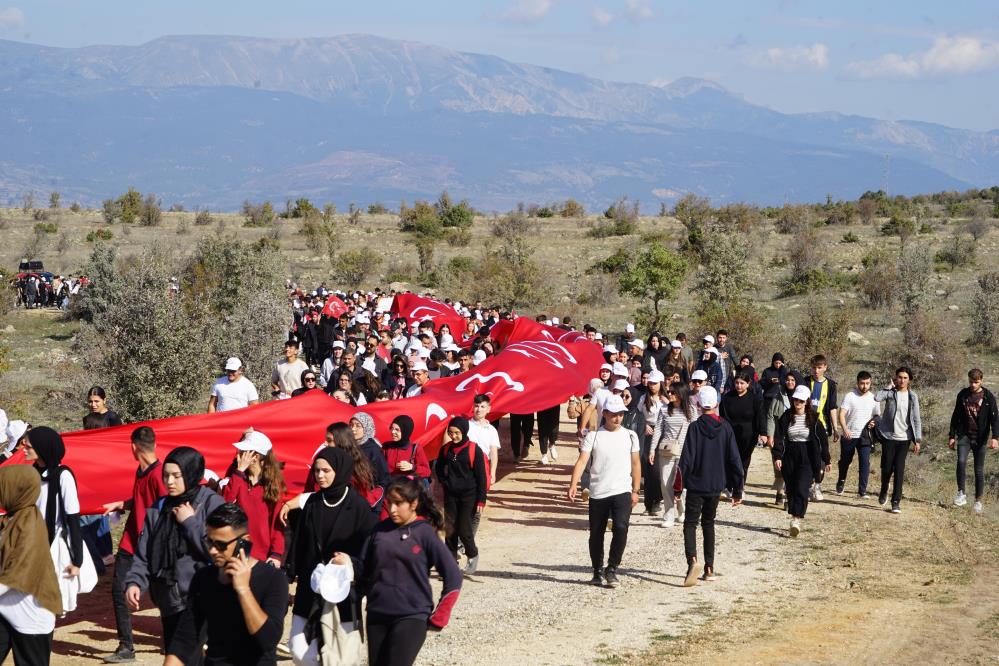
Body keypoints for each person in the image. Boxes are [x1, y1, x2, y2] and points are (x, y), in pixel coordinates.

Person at [125, 446, 225, 662]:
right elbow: (144, 552)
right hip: (169, 599)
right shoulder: (159, 508)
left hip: (204, 599)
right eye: (166, 475)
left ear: (190, 473)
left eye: (176, 476)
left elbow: (219, 551)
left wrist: (190, 522)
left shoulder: (211, 503)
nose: (169, 481)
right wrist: (135, 582)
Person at [165, 503, 288, 666]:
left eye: (221, 545)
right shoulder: (204, 578)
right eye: (209, 542)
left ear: (244, 541)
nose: (213, 551)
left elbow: (267, 639)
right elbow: (186, 639)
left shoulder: (273, 578)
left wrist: (243, 589)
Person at [287, 448, 377, 665]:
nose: (320, 476)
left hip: (343, 591)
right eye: (317, 471)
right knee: (299, 650)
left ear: (340, 470)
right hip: (310, 588)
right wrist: (289, 574)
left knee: (342, 655)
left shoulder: (359, 507)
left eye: (326, 471)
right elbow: (299, 542)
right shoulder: (313, 503)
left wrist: (351, 565)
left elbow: (371, 551)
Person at [360, 478, 462, 666]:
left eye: (398, 503)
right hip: (377, 614)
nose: (392, 509)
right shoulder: (378, 531)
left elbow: (453, 576)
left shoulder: (424, 534)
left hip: (412, 615)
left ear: (414, 503)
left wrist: (441, 614)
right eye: (389, 503)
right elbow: (362, 569)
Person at [100, 426, 167, 664]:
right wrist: (122, 503)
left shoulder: (157, 475)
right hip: (133, 541)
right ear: (154, 444)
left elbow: (163, 510)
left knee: (162, 595)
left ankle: (171, 640)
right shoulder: (145, 471)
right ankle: (126, 645)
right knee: (119, 590)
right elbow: (142, 500)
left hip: (149, 545)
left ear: (133, 447)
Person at [567, 394, 641, 588]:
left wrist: (635, 489)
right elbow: (583, 461)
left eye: (620, 414)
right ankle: (597, 570)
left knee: (621, 527)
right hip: (599, 491)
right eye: (613, 414)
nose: (617, 418)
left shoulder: (630, 435)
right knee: (596, 533)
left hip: (622, 490)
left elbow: (635, 462)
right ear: (605, 413)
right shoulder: (594, 435)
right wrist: (573, 484)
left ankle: (612, 568)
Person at [23, 426, 93, 615]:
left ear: (42, 448)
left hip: (54, 547)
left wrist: (77, 561)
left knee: (49, 604)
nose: (24, 449)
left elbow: (73, 519)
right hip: (33, 545)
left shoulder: (63, 476)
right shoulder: (32, 474)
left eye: (28, 446)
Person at [678, 386, 744, 586]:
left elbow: (686, 460)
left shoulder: (695, 428)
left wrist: (677, 487)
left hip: (696, 484)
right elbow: (734, 460)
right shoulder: (725, 427)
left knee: (690, 523)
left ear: (698, 405)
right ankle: (709, 568)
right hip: (716, 485)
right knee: (709, 523)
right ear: (716, 404)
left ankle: (692, 561)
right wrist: (737, 490)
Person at [0, 465, 63, 665]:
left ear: (15, 489)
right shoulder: (14, 518)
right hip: (6, 609)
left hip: (31, 616)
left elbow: (19, 572)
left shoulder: (29, 525)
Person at [221, 431, 286, 565]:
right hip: (236, 553)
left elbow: (276, 523)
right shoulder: (238, 478)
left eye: (243, 451)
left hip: (261, 556)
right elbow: (225, 502)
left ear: (255, 457)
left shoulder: (272, 485)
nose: (238, 453)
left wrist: (276, 554)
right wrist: (238, 472)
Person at [772, 385, 827, 537]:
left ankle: (796, 519)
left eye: (801, 400)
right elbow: (779, 438)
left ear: (807, 402)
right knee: (791, 488)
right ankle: (794, 513)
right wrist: (777, 456)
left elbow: (822, 441)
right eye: (796, 399)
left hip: (807, 455)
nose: (798, 403)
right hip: (789, 455)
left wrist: (826, 460)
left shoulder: (814, 418)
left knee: (802, 488)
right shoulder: (786, 416)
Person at [436, 417, 488, 575]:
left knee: (464, 528)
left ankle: (472, 555)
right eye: (450, 433)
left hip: (469, 496)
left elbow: (481, 477)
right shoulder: (446, 449)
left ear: (464, 431)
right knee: (450, 529)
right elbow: (438, 468)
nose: (453, 436)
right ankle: (451, 564)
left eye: (457, 433)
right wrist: (444, 481)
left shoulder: (474, 449)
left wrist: (481, 500)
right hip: (451, 495)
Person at [948, 368, 999, 514]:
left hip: (981, 438)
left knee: (978, 470)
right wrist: (951, 436)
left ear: (981, 381)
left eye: (976, 382)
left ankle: (978, 501)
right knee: (961, 462)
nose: (973, 385)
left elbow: (995, 419)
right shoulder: (963, 395)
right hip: (964, 436)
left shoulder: (988, 397)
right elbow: (955, 416)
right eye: (971, 382)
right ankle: (961, 494)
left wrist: (995, 437)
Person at [874, 367, 922, 514]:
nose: (902, 380)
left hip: (905, 438)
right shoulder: (890, 393)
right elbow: (877, 397)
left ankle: (896, 502)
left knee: (899, 469)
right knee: (887, 468)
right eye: (899, 377)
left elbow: (916, 418)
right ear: (896, 378)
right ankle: (884, 490)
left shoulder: (912, 396)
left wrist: (917, 439)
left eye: (905, 378)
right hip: (889, 436)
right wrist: (888, 386)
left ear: (910, 380)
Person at [651, 381, 696, 527]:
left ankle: (681, 509)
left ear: (680, 394)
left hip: (684, 452)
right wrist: (652, 449)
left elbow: (695, 432)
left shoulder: (691, 410)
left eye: (672, 392)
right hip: (666, 450)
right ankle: (668, 515)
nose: (669, 394)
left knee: (682, 484)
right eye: (668, 392)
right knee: (665, 483)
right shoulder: (664, 409)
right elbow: (658, 429)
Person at [719, 369, 766, 492]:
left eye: (742, 383)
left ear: (748, 383)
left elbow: (760, 416)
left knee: (743, 462)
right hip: (731, 434)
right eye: (737, 383)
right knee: (729, 460)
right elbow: (723, 416)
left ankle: (740, 487)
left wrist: (763, 433)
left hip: (748, 435)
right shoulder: (728, 398)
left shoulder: (755, 398)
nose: (739, 386)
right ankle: (728, 486)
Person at [836, 371, 881, 498]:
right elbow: (841, 414)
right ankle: (841, 480)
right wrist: (844, 429)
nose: (865, 386)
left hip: (865, 436)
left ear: (870, 383)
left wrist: (874, 422)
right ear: (857, 383)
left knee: (864, 463)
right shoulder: (850, 396)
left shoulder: (874, 398)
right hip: (849, 435)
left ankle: (862, 491)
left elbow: (877, 416)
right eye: (862, 383)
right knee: (845, 461)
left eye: (867, 383)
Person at [806, 355, 838, 502]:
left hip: (823, 426)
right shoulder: (806, 381)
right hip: (806, 425)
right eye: (814, 367)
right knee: (807, 456)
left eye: (819, 367)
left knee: (821, 458)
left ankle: (817, 486)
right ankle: (807, 485)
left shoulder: (831, 385)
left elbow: (832, 407)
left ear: (825, 367)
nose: (816, 370)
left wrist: (836, 427)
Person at [637, 371, 666, 516]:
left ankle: (657, 500)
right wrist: (644, 425)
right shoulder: (644, 398)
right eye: (650, 383)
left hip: (662, 434)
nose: (652, 385)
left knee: (657, 470)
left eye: (655, 383)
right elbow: (637, 415)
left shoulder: (665, 399)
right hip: (647, 434)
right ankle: (649, 504)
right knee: (648, 469)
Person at [382, 415, 432, 482]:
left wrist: (412, 467)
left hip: (407, 490)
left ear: (405, 431)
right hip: (390, 488)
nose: (392, 432)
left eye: (397, 430)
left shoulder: (416, 448)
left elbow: (427, 472)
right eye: (391, 428)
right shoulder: (386, 447)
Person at [349, 412, 391, 490]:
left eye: (358, 426)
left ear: (367, 428)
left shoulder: (373, 449)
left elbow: (383, 478)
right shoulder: (348, 446)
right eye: (351, 425)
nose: (353, 429)